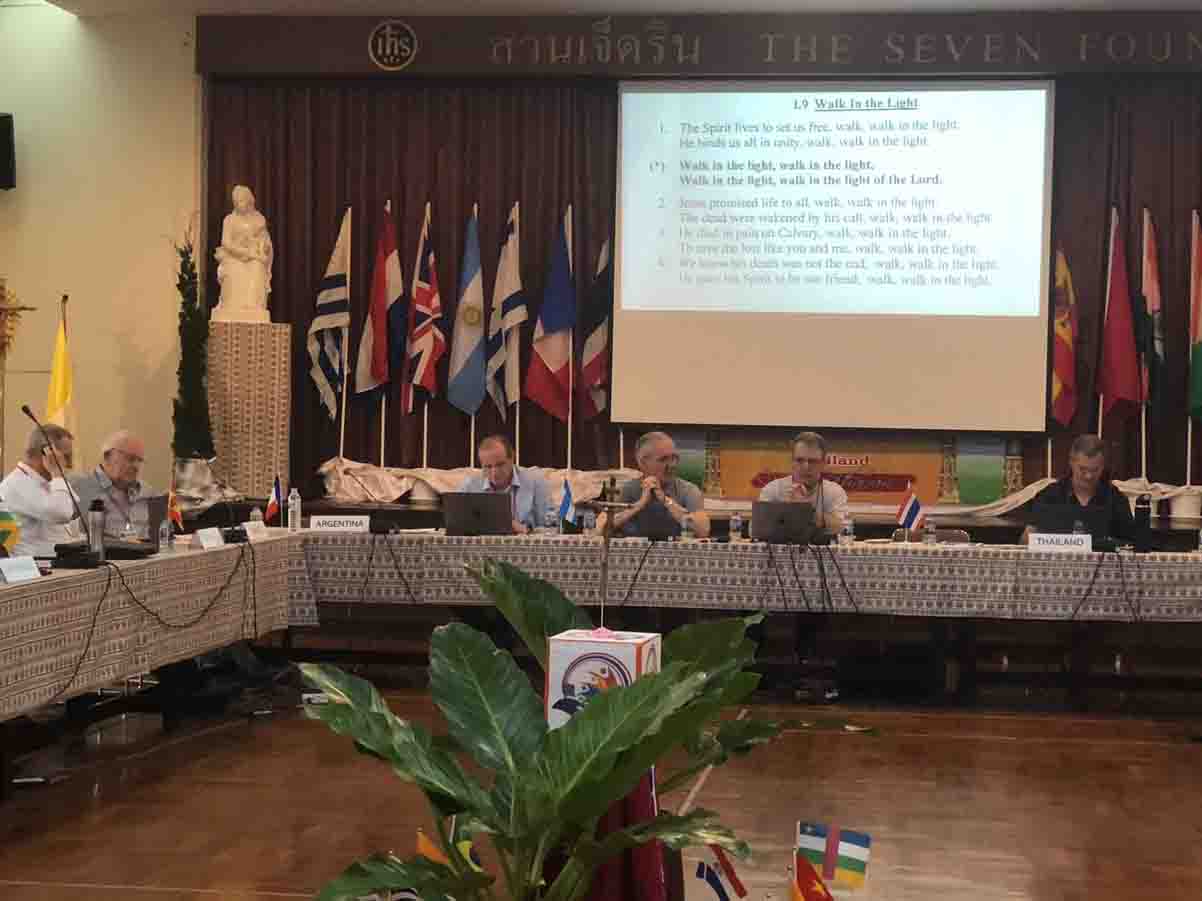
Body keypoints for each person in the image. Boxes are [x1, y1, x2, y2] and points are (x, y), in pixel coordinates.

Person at [601, 431, 711, 538]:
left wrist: (666, 501)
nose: (672, 465)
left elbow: (703, 530)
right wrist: (639, 505)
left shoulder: (688, 490)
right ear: (643, 463)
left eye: (674, 458)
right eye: (663, 459)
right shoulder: (628, 490)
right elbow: (600, 528)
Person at [1027, 433, 1135, 540]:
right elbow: (1028, 537)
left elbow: (1130, 542)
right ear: (1071, 462)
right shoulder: (1049, 496)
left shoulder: (1116, 499)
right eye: (1082, 469)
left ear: (1103, 466)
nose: (1088, 476)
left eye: (1095, 470)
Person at [0, 424, 80, 557]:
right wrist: (57, 472)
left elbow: (74, 509)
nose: (69, 465)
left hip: (59, 562)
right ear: (46, 454)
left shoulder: (46, 480)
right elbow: (62, 513)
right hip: (35, 567)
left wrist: (57, 476)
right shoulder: (17, 484)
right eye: (65, 457)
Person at [757, 430, 848, 533]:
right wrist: (783, 509)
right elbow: (755, 530)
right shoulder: (773, 489)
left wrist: (805, 509)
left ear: (823, 463)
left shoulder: (834, 491)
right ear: (792, 462)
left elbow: (841, 528)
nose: (806, 466)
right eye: (800, 460)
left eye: (812, 461)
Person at [459, 434, 552, 533]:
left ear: (512, 459)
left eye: (500, 465)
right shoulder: (470, 486)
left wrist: (526, 530)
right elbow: (457, 525)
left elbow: (552, 527)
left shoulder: (536, 482)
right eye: (488, 467)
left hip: (523, 541)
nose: (494, 473)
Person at [71, 430, 153, 538]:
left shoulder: (148, 492)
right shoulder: (79, 489)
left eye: (140, 461)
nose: (136, 466)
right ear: (107, 457)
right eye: (130, 459)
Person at [212, 184, 273, 323]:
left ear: (249, 201)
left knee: (257, 266)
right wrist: (243, 252)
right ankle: (231, 304)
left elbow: (265, 240)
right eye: (236, 202)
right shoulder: (229, 220)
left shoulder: (259, 219)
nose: (239, 204)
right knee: (232, 268)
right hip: (233, 256)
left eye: (241, 201)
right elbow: (225, 242)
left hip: (254, 256)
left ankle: (253, 305)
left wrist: (263, 248)